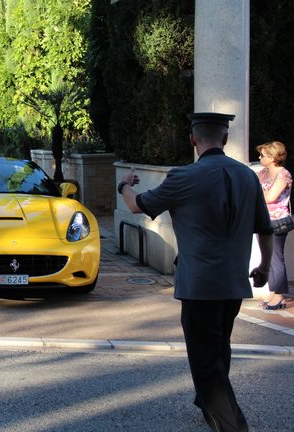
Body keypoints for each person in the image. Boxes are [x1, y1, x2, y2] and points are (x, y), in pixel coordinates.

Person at [118, 112, 273, 432]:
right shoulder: (248, 177)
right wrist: (265, 266)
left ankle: (233, 426)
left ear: (193, 139)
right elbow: (265, 229)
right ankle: (207, 405)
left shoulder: (183, 177)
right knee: (219, 348)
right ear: (225, 139)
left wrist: (124, 185)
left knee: (205, 365)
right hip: (234, 285)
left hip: (199, 286)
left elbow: (137, 205)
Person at [256, 141, 291, 310]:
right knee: (267, 257)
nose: (259, 157)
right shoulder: (263, 173)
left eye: (262, 155)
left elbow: (270, 197)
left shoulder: (283, 174)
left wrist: (258, 192)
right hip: (263, 218)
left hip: (277, 221)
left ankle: (279, 296)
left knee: (276, 257)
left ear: (272, 157)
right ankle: (273, 291)